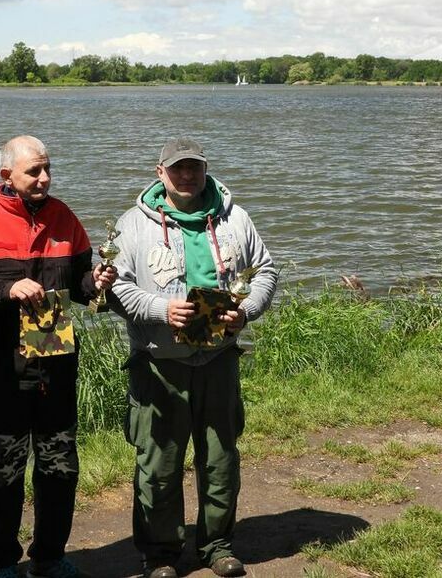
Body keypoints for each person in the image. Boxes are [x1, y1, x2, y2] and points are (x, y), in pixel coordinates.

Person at [110, 139, 278, 578]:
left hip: (219, 360)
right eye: (177, 168)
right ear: (160, 172)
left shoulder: (235, 218)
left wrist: (246, 310)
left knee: (221, 460)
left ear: (205, 170)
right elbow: (116, 288)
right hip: (158, 363)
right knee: (158, 465)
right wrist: (160, 309)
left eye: (194, 168)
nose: (187, 176)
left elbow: (264, 270)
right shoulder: (133, 224)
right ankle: (160, 554)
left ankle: (217, 546)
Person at [0, 135, 115, 578]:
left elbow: (81, 284)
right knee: (2, 474)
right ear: (6, 175)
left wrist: (97, 282)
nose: (44, 178)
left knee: (60, 468)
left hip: (56, 366)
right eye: (34, 171)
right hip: (1, 371)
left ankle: (49, 557)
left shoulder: (64, 216)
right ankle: (2, 563)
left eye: (47, 169)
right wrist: (6, 288)